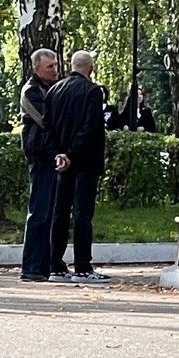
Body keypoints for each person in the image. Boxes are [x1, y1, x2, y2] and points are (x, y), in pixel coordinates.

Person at [47, 48, 108, 284]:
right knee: (82, 213)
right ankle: (82, 266)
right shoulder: (92, 92)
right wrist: (72, 153)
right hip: (84, 160)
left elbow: (47, 126)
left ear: (71, 66)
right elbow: (90, 127)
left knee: (60, 212)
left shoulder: (54, 91)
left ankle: (55, 265)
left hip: (61, 162)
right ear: (90, 69)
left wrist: (59, 154)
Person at [17, 47, 64, 282]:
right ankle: (31, 266)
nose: (55, 70)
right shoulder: (31, 92)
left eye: (56, 66)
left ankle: (47, 265)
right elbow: (47, 121)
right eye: (50, 67)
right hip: (41, 155)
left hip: (53, 154)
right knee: (39, 212)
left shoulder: (54, 88)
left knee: (53, 213)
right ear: (36, 68)